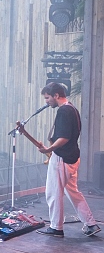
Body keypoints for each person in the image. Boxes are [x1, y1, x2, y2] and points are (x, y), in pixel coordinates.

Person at [34, 82, 100, 237]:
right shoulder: (72, 109)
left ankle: (56, 228)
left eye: (48, 98)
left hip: (62, 159)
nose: (46, 101)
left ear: (56, 95)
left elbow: (64, 137)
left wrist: (49, 149)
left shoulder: (63, 111)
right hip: (72, 157)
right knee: (73, 192)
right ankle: (91, 224)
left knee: (53, 193)